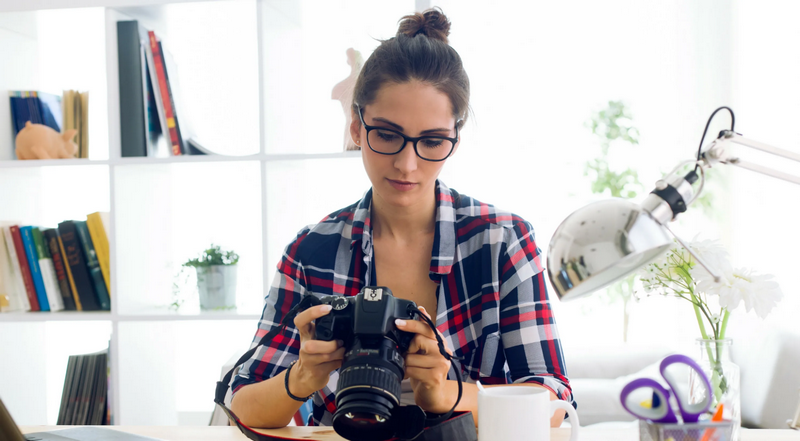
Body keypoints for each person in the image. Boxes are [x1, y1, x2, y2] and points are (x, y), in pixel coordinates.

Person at [230, 7, 574, 429]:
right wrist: (303, 377)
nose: (407, 164)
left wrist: (442, 392)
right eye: (388, 135)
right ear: (357, 127)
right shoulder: (312, 251)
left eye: (431, 141)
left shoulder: (502, 241)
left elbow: (553, 398)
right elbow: (241, 402)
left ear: (455, 140)